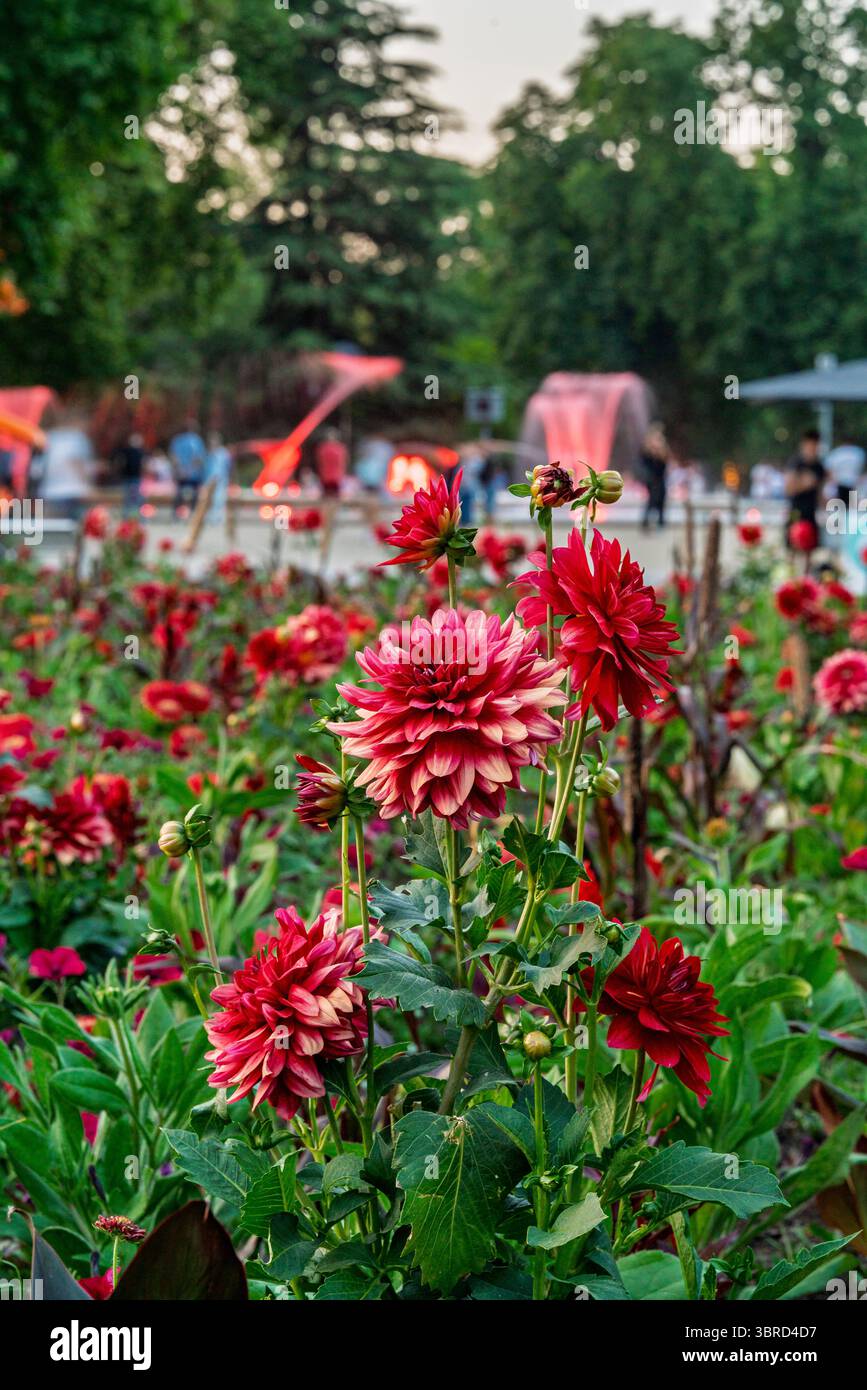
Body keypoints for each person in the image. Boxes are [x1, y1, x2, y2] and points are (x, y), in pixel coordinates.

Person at [34, 418, 94, 522]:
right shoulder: (79, 439)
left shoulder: (49, 437)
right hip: (75, 494)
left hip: (51, 494)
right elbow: (80, 465)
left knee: (53, 533)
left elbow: (36, 470)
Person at [785, 427, 827, 551]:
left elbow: (820, 494)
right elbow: (788, 489)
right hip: (795, 511)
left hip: (811, 512)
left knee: (810, 547)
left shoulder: (819, 467)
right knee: (792, 545)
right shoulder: (795, 463)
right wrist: (804, 484)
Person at [169, 420, 206, 515]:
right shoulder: (197, 440)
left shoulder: (177, 440)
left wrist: (179, 470)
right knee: (194, 495)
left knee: (179, 494)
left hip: (180, 473)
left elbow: (174, 458)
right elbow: (198, 459)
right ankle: (193, 514)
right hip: (194, 474)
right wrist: (191, 470)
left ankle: (176, 514)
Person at [640, 423, 670, 530]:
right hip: (652, 479)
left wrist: (659, 453)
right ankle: (646, 522)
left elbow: (665, 464)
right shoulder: (647, 451)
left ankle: (660, 522)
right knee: (652, 499)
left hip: (660, 478)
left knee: (661, 498)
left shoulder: (662, 451)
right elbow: (644, 464)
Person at [112, 431, 146, 515]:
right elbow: (119, 461)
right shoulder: (127, 451)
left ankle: (135, 515)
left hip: (135, 478)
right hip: (129, 477)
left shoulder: (140, 452)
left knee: (135, 498)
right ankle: (128, 515)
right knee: (129, 498)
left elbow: (143, 465)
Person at [203, 430, 232, 524]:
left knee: (219, 499)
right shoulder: (209, 453)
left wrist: (228, 478)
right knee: (209, 499)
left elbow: (228, 466)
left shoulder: (224, 453)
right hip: (209, 480)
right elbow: (206, 467)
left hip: (221, 480)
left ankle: (219, 518)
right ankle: (210, 517)